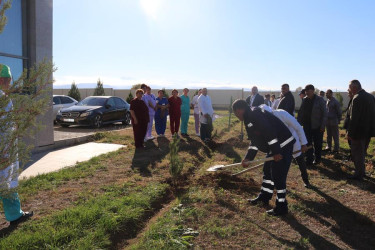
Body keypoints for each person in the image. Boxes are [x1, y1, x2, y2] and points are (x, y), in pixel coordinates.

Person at [232, 100, 295, 216]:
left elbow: (269, 132)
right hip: (275, 146)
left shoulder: (254, 114)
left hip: (283, 145)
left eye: (236, 114)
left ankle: (282, 207)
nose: (237, 116)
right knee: (267, 170)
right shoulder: (249, 117)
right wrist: (248, 158)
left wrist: (276, 152)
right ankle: (264, 197)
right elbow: (255, 141)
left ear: (239, 110)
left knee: (278, 176)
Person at [0, 64, 33, 225]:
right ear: (3, 79)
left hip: (6, 149)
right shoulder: (3, 99)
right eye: (10, 80)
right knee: (7, 183)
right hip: (4, 151)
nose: (11, 83)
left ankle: (15, 214)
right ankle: (14, 215)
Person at [260, 104, 310, 188]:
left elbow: (298, 127)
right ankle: (278, 184)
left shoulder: (282, 114)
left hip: (293, 142)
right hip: (279, 146)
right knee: (279, 165)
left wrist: (303, 143)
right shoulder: (265, 122)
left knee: (300, 161)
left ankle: (306, 181)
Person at [347, 80, 375, 180]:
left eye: (349, 87)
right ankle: (362, 172)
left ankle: (359, 174)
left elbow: (354, 118)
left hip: (358, 132)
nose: (349, 90)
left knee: (357, 153)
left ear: (354, 87)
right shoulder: (371, 97)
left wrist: (350, 133)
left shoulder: (357, 98)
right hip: (368, 131)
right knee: (362, 153)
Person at [297, 84, 327, 165]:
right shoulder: (305, 99)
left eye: (308, 91)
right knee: (307, 143)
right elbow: (301, 112)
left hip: (317, 126)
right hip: (307, 126)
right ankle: (309, 159)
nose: (306, 92)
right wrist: (298, 124)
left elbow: (324, 114)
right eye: (306, 91)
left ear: (313, 91)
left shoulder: (319, 100)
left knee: (317, 143)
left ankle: (317, 159)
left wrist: (322, 126)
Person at [343, 90, 354, 161]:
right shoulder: (351, 101)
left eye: (349, 93)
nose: (348, 95)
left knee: (352, 142)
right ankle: (352, 155)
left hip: (351, 126)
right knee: (350, 142)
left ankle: (353, 156)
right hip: (349, 125)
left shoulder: (355, 101)